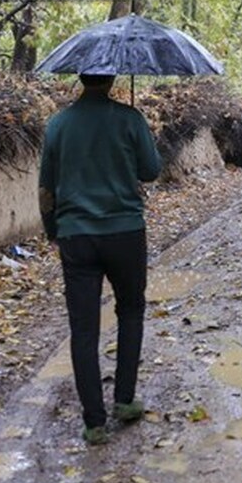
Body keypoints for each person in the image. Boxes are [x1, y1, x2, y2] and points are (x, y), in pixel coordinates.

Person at [38, 73, 162, 445]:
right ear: (111, 77)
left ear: (80, 76)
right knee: (131, 311)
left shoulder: (57, 125)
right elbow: (151, 171)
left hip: (76, 236)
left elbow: (46, 188)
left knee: (84, 328)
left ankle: (94, 422)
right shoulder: (129, 119)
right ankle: (124, 401)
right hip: (125, 233)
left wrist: (52, 230)